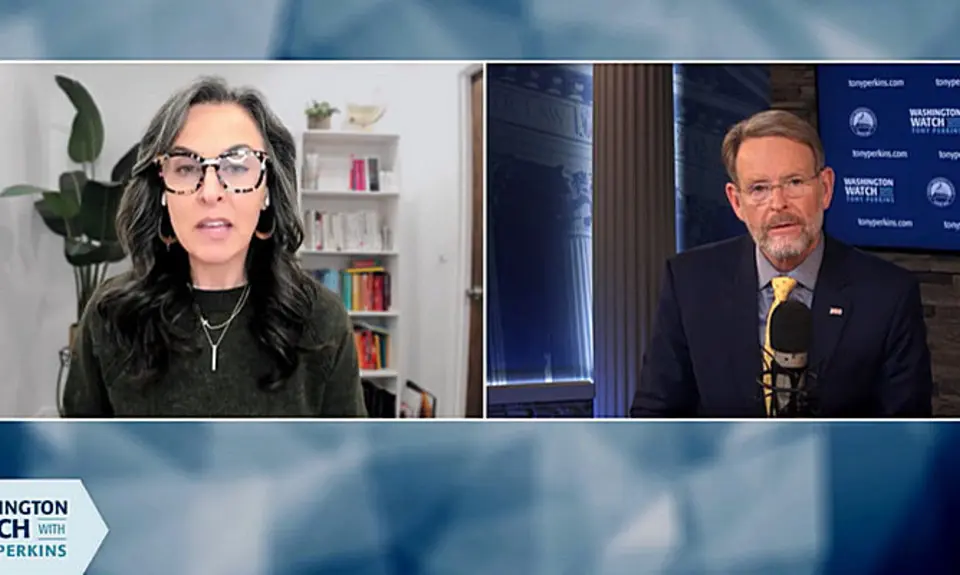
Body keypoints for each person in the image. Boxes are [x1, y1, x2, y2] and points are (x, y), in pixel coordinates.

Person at [62, 76, 368, 417]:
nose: (210, 192)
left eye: (236, 166)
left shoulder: (321, 320)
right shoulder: (109, 315)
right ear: (162, 190)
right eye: (187, 167)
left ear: (266, 190)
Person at [631, 109, 933, 418]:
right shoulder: (690, 283)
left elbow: (908, 436)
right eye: (759, 188)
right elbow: (654, 416)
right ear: (737, 202)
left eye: (795, 182)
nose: (778, 204)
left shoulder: (888, 295)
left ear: (825, 189)